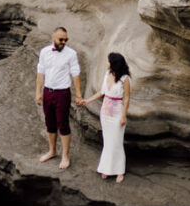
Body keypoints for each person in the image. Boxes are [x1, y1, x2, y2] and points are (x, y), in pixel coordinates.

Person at [36, 27, 83, 170]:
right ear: (53, 37)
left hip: (62, 93)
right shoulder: (44, 52)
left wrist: (78, 94)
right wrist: (38, 92)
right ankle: (52, 151)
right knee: (49, 122)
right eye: (61, 39)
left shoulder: (71, 54)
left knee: (63, 123)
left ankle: (65, 155)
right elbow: (40, 72)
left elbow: (75, 74)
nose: (63, 42)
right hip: (48, 91)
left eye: (66, 40)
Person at [83, 52, 130, 183]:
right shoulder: (107, 73)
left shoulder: (125, 79)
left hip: (117, 112)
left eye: (108, 61)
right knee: (108, 141)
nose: (106, 62)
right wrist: (87, 101)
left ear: (114, 63)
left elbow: (126, 99)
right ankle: (106, 168)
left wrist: (124, 116)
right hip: (105, 112)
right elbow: (102, 92)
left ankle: (119, 170)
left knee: (116, 141)